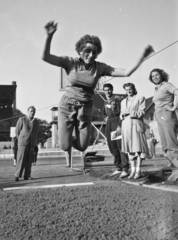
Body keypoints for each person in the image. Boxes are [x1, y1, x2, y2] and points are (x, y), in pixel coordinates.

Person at [42, 20, 154, 167]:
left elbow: (126, 72)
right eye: (87, 51)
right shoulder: (70, 62)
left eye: (94, 52)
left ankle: (73, 133)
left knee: (82, 146)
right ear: (80, 51)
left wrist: (142, 58)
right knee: (64, 146)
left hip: (85, 108)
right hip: (67, 106)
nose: (90, 55)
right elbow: (46, 57)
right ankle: (67, 135)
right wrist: (49, 36)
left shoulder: (99, 68)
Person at [148, 69, 178, 167]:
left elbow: (177, 92)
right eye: (153, 76)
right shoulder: (156, 88)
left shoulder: (166, 85)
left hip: (167, 114)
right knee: (164, 143)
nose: (155, 77)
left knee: (171, 142)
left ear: (162, 75)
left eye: (157, 75)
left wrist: (174, 106)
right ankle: (172, 164)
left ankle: (176, 166)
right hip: (159, 115)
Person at [120, 83, 149, 179]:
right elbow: (121, 114)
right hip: (126, 126)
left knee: (138, 148)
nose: (128, 91)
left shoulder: (140, 98)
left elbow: (142, 112)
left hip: (136, 125)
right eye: (126, 89)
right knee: (130, 149)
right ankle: (132, 170)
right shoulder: (123, 101)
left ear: (134, 89)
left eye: (130, 89)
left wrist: (130, 113)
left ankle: (138, 170)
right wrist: (121, 115)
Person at [102, 83, 129, 178]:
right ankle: (118, 168)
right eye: (105, 90)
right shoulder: (105, 101)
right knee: (112, 146)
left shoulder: (117, 99)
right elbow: (103, 113)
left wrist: (119, 125)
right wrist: (105, 117)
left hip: (117, 122)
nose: (107, 92)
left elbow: (121, 112)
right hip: (109, 124)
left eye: (109, 89)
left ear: (112, 90)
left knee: (120, 146)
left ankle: (125, 168)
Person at [14, 106, 39, 181]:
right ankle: (17, 175)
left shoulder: (36, 122)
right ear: (27, 112)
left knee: (29, 160)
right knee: (21, 159)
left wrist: (35, 142)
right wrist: (21, 139)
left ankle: (27, 175)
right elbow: (17, 131)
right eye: (31, 111)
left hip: (31, 143)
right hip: (23, 143)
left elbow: (36, 132)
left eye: (34, 111)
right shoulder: (22, 119)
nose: (32, 112)